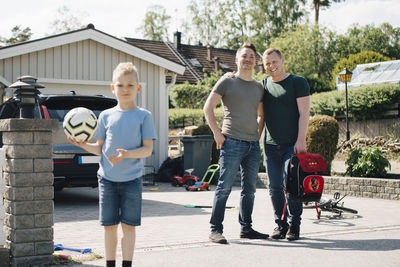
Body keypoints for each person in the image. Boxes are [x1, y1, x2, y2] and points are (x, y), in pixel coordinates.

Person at [68, 62, 157, 267]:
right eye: (120, 85)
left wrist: (127, 155)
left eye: (130, 85)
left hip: (132, 181)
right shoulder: (105, 116)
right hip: (107, 180)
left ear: (138, 88)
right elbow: (100, 149)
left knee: (128, 226)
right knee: (109, 226)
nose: (125, 89)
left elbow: (147, 149)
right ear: (112, 88)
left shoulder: (144, 116)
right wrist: (83, 145)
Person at [203, 43, 269, 244]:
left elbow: (261, 115)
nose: (248, 59)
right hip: (231, 142)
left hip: (251, 146)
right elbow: (208, 108)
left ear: (255, 61)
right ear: (237, 60)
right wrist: (217, 134)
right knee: (224, 188)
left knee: (250, 190)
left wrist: (257, 136)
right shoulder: (227, 81)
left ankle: (246, 228)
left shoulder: (259, 87)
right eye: (244, 56)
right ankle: (215, 230)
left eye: (251, 57)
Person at [262, 48, 310, 241]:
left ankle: (294, 224)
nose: (271, 66)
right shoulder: (263, 85)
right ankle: (280, 224)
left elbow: (304, 113)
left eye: (274, 61)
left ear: (282, 60)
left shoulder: (298, 82)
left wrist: (301, 139)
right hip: (270, 145)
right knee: (274, 186)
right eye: (267, 63)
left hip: (292, 144)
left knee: (291, 186)